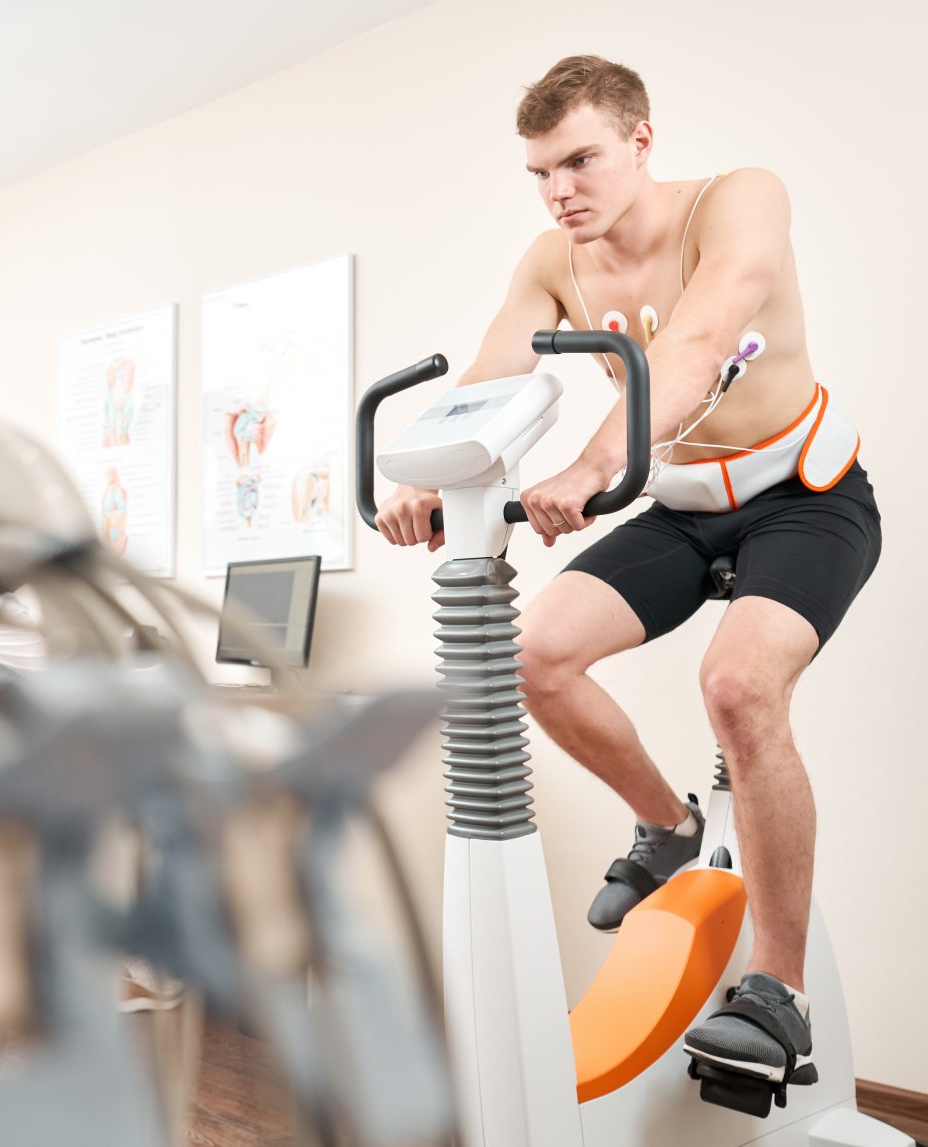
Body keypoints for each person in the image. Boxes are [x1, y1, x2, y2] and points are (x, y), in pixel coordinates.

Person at [374, 55, 882, 1088]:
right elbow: (493, 369)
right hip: (684, 507)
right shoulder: (554, 256)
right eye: (540, 173)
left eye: (579, 160)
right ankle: (668, 825)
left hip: (806, 498)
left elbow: (697, 345)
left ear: (641, 142)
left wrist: (596, 464)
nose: (560, 189)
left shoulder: (739, 202)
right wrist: (430, 474)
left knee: (738, 686)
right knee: (536, 654)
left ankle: (777, 993)